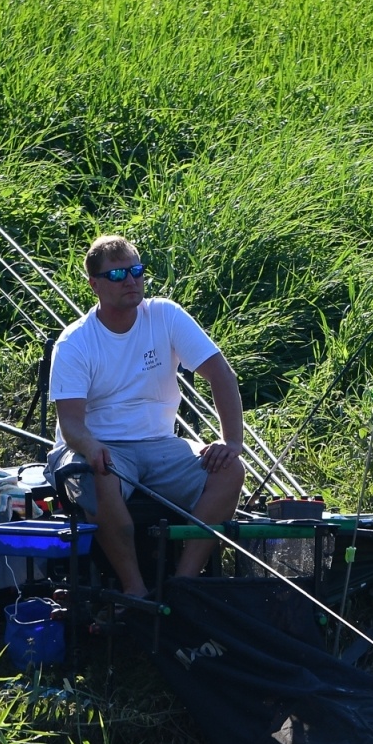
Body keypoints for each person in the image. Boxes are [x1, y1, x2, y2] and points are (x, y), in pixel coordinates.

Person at [46, 235, 245, 599]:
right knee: (101, 471)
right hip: (99, 446)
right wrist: (91, 447)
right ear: (94, 285)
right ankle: (134, 589)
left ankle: (181, 584)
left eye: (136, 270)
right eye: (118, 274)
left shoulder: (165, 315)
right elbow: (71, 423)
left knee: (230, 469)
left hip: (160, 445)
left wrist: (231, 442)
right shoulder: (74, 342)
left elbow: (222, 375)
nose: (131, 280)